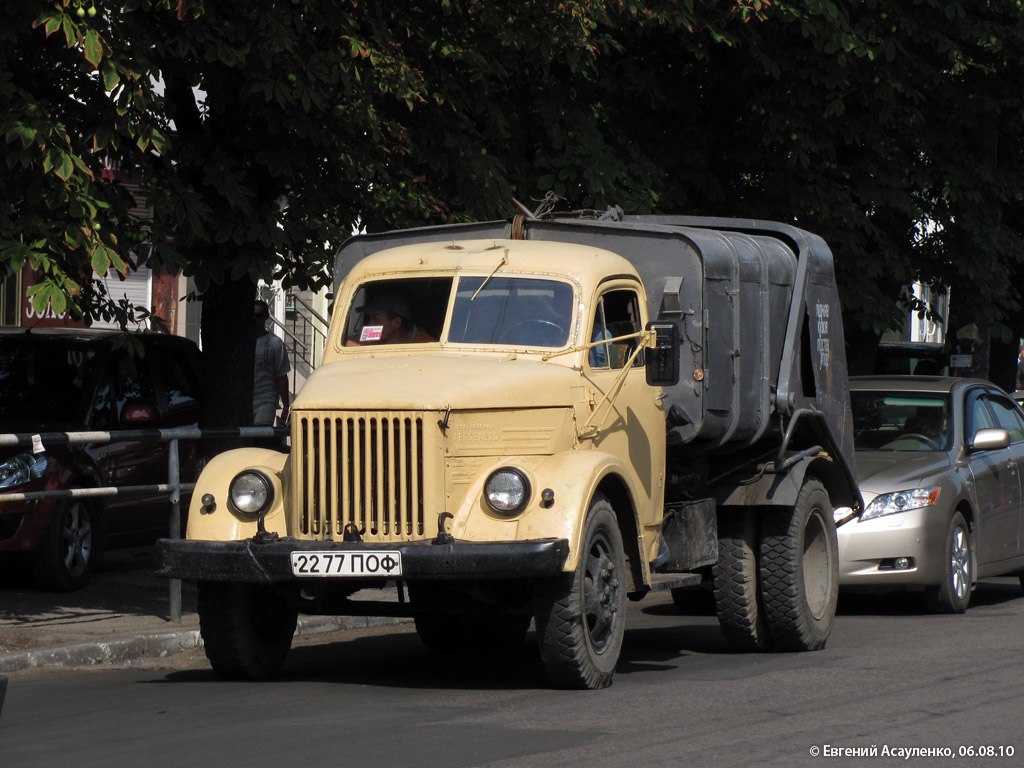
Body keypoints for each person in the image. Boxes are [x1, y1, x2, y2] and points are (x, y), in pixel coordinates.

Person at [347, 291, 435, 345]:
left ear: (397, 322)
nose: (370, 324)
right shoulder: (375, 334)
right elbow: (350, 342)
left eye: (376, 320)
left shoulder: (424, 343)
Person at [253, 299, 290, 426]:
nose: (254, 319)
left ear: (266, 317)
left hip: (265, 401)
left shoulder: (275, 343)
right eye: (251, 315)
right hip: (241, 401)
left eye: (258, 316)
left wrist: (286, 406)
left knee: (260, 436)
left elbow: (281, 376)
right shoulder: (241, 343)